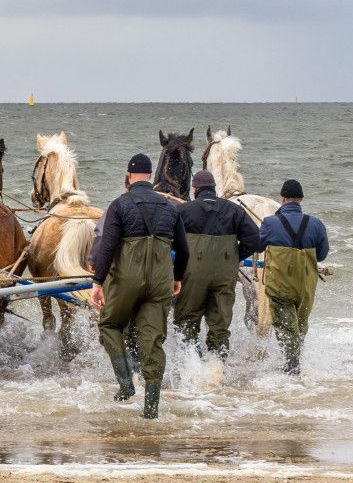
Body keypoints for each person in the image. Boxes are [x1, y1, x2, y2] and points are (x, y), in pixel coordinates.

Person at [88, 153, 189, 418]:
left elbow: (107, 247)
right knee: (153, 341)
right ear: (150, 175)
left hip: (127, 279)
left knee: (110, 325)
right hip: (160, 281)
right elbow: (184, 250)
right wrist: (177, 278)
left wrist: (98, 282)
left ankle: (125, 384)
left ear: (129, 176)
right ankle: (151, 410)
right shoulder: (170, 207)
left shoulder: (120, 205)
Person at [173, 170, 260, 361]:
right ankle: (217, 368)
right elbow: (255, 240)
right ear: (214, 188)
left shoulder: (183, 211)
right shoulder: (235, 210)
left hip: (192, 275)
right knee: (219, 324)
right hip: (225, 274)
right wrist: (234, 257)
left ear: (195, 189)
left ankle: (192, 366)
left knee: (187, 322)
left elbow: (169, 241)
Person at [258, 179, 329, 375]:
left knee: (285, 327)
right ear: (301, 200)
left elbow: (257, 246)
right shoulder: (315, 223)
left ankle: (291, 370)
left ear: (283, 199)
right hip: (306, 287)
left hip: (281, 285)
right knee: (300, 326)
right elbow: (321, 255)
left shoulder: (271, 222)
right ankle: (295, 365)